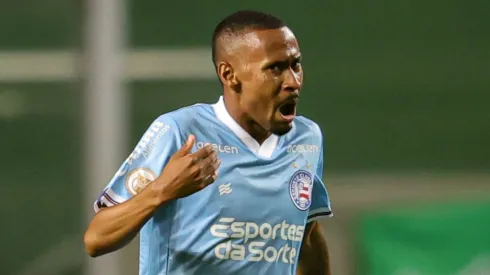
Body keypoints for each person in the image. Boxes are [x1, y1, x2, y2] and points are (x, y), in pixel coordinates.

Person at [84, 10, 333, 275]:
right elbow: (96, 239)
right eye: (275, 68)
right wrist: (162, 190)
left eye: (296, 65)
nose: (292, 82)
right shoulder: (180, 132)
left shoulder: (307, 139)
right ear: (229, 74)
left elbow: (305, 234)